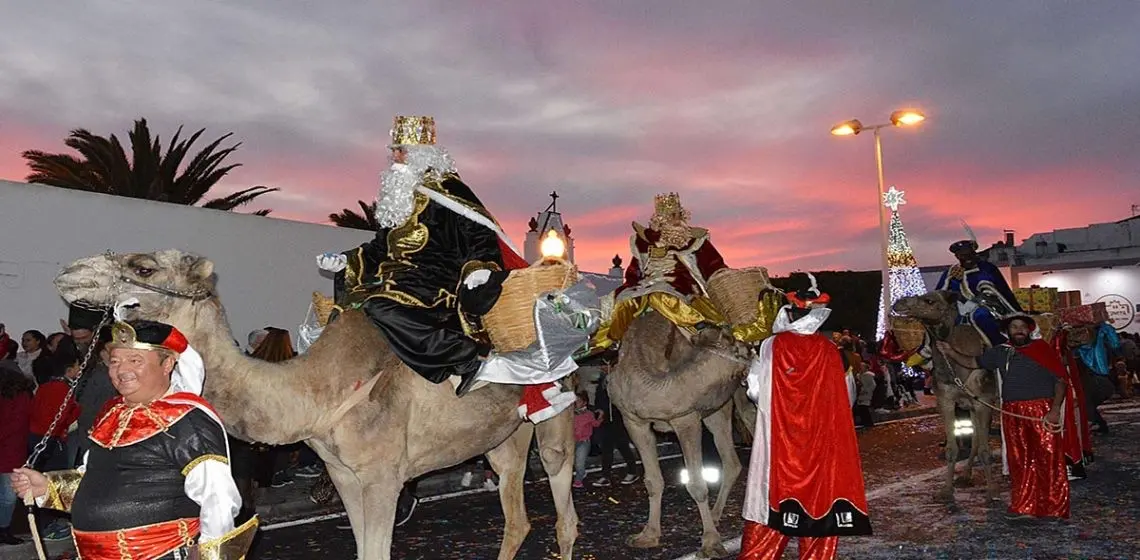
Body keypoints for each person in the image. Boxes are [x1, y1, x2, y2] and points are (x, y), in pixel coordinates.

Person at [317, 116, 572, 421]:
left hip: (435, 284)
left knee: (382, 308)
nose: (396, 157)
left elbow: (479, 233)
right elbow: (378, 250)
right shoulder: (396, 202)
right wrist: (347, 260)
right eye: (394, 150)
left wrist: (480, 267)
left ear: (424, 153)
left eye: (403, 150)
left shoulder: (447, 191)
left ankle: (469, 358)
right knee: (347, 312)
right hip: (394, 280)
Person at [11, 319, 255, 559]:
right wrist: (46, 487)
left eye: (135, 360)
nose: (121, 370)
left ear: (168, 363)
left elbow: (219, 499)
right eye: (115, 361)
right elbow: (95, 480)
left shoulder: (187, 421)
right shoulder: (111, 414)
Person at [741, 276, 871, 560]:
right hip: (821, 444)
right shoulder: (831, 352)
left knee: (769, 500)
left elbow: (755, 390)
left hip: (781, 442)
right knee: (820, 499)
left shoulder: (771, 346)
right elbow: (846, 399)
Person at [938, 314, 1069, 520]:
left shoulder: (1043, 350)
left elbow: (1060, 381)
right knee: (1020, 460)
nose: (1018, 330)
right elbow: (973, 362)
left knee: (1047, 458)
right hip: (1012, 412)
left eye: (1022, 327)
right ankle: (1024, 506)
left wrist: (1053, 411)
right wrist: (951, 352)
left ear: (1029, 330)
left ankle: (1053, 506)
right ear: (1008, 331)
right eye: (1014, 327)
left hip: (1041, 411)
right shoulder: (1001, 352)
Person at [601, 192, 730, 345]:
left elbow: (714, 267)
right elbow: (634, 272)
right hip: (645, 287)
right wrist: (630, 286)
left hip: (681, 287)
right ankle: (613, 342)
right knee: (625, 302)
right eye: (670, 216)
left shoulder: (695, 241)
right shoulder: (643, 242)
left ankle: (698, 324)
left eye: (677, 215)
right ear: (660, 219)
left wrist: (725, 279)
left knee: (659, 296)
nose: (675, 220)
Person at [935, 239, 1023, 347]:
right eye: (963, 255)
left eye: (970, 254)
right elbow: (939, 293)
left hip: (988, 306)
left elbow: (1002, 290)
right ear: (957, 256)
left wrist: (1018, 312)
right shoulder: (950, 272)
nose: (968, 258)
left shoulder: (987, 268)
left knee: (981, 317)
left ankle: (1001, 346)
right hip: (959, 308)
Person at [591, 364, 641, 487]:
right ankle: (605, 476)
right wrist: (599, 410)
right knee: (606, 449)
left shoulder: (619, 380)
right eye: (601, 366)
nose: (602, 369)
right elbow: (599, 400)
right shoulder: (601, 383)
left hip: (618, 419)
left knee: (623, 446)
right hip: (606, 420)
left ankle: (632, 471)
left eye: (604, 366)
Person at [0, 363, 34, 545]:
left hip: (10, 450)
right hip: (12, 450)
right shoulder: (21, 396)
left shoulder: (17, 398)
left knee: (7, 495)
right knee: (8, 496)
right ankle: (4, 529)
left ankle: (3, 529)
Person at [571, 393, 602, 489]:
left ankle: (578, 480)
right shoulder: (571, 414)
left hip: (584, 441)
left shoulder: (588, 414)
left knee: (580, 462)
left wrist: (600, 416)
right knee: (573, 462)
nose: (576, 403)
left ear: (584, 403)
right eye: (574, 401)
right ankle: (582, 473)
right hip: (572, 441)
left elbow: (595, 424)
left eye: (578, 401)